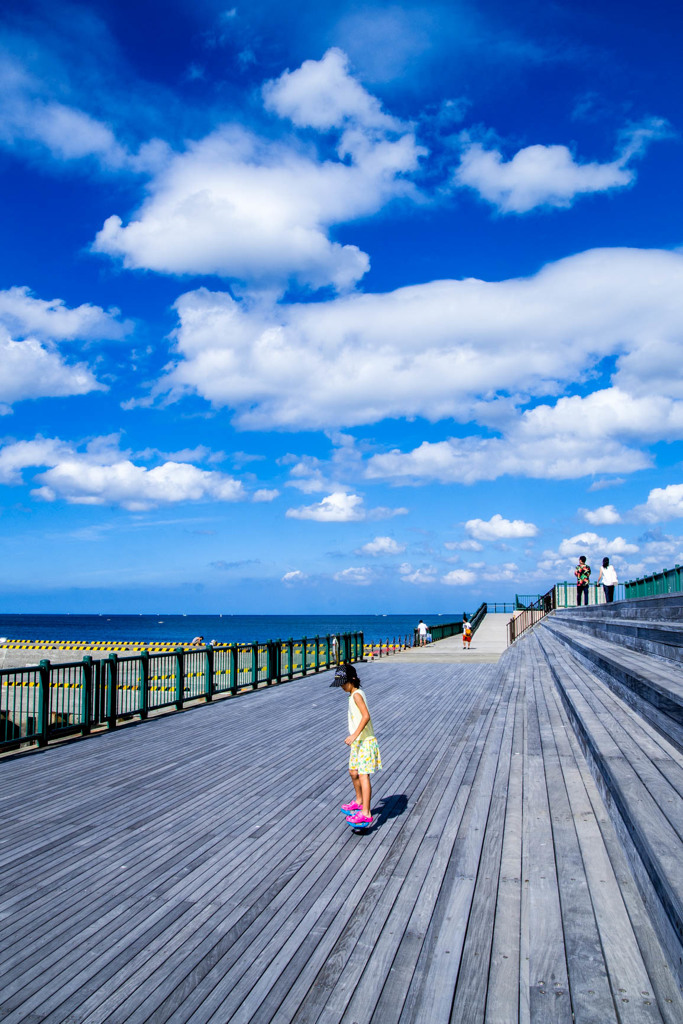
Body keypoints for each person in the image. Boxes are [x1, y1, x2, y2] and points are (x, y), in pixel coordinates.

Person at [331, 663, 382, 828]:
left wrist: (354, 735)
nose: (341, 687)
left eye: (343, 684)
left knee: (363, 775)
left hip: (365, 741)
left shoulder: (356, 695)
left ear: (352, 680)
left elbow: (366, 716)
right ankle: (359, 801)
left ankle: (366, 813)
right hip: (358, 743)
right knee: (353, 772)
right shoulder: (352, 694)